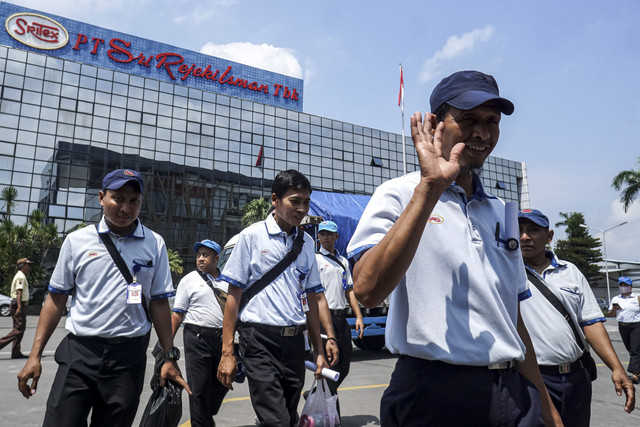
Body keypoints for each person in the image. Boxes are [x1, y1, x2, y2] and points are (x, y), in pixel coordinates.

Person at [347, 70, 562, 426]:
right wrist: (430, 188)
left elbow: (512, 318)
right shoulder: (399, 194)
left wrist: (545, 405)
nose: (482, 132)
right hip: (434, 395)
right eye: (467, 119)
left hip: (512, 393)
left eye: (491, 121)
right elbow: (367, 290)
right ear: (435, 124)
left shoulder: (503, 211)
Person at [17, 168, 189, 427]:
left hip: (127, 359)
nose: (125, 208)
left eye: (134, 201)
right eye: (118, 198)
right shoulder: (77, 242)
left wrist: (169, 356)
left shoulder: (155, 244)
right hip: (80, 353)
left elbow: (159, 302)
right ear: (101, 197)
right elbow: (56, 300)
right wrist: (34, 355)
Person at [216, 169, 329, 427]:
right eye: (294, 201)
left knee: (288, 416)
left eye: (306, 202)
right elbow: (233, 296)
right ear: (275, 200)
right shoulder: (251, 237)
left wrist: (318, 350)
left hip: (294, 344)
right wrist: (227, 352)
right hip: (259, 340)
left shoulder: (307, 243)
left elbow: (311, 299)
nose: (301, 209)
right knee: (275, 419)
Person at [518, 208, 635, 425]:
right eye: (519, 230)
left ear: (549, 236)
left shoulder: (569, 271)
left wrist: (617, 368)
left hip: (576, 378)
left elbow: (591, 322)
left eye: (533, 230)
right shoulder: (506, 272)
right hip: (532, 380)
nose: (524, 236)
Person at [171, 239, 229, 427]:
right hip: (197, 337)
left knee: (223, 382)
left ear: (217, 258)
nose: (201, 259)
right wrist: (166, 344)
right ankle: (202, 422)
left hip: (222, 339)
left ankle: (205, 414)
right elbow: (177, 314)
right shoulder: (189, 280)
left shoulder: (228, 281)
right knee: (199, 388)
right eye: (198, 255)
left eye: (206, 255)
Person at [314, 220, 364, 402]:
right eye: (323, 234)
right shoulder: (315, 260)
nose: (326, 238)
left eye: (330, 234)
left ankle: (316, 396)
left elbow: (349, 290)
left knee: (344, 366)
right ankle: (330, 410)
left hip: (341, 318)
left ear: (337, 237)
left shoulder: (343, 261)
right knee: (329, 365)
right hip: (323, 320)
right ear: (318, 237)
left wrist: (358, 316)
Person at [0, 258, 34, 358]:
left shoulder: (21, 276)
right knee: (19, 329)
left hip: (18, 304)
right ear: (23, 266)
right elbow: (19, 292)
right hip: (18, 304)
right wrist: (19, 307)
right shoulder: (20, 277)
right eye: (28, 265)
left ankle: (16, 352)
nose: (29, 267)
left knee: (19, 329)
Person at [609, 277, 640, 384]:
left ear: (630, 286)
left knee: (635, 349)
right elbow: (610, 315)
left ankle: (635, 375)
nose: (623, 287)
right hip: (622, 326)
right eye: (621, 285)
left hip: (636, 326)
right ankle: (637, 369)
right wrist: (614, 309)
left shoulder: (637, 298)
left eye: (626, 285)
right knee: (630, 349)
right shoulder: (616, 299)